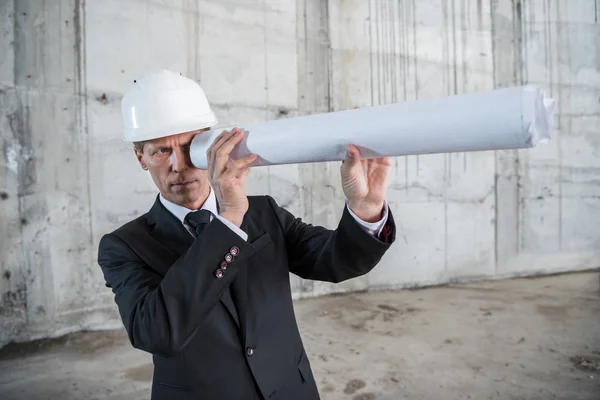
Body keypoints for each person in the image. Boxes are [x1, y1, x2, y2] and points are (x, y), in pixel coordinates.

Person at [97, 69, 396, 400]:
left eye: (189, 146)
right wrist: (227, 221)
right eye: (161, 151)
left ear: (211, 145)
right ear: (141, 157)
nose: (179, 165)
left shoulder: (263, 212)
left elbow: (334, 262)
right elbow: (156, 332)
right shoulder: (124, 246)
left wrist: (365, 209)